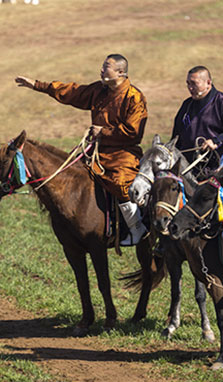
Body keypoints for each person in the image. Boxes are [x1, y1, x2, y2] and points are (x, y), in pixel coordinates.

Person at [14, 54, 148, 245]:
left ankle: (137, 228)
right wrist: (37, 85)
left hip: (123, 153)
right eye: (102, 66)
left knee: (120, 183)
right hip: (96, 151)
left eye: (106, 67)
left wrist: (104, 132)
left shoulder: (134, 97)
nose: (101, 70)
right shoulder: (99, 90)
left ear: (120, 72)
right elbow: (72, 92)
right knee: (71, 174)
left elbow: (134, 133)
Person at [172, 66, 223, 170]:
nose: (190, 88)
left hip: (216, 166)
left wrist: (217, 141)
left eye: (194, 83)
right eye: (188, 83)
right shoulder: (187, 104)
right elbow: (176, 135)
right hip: (186, 168)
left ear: (208, 83)